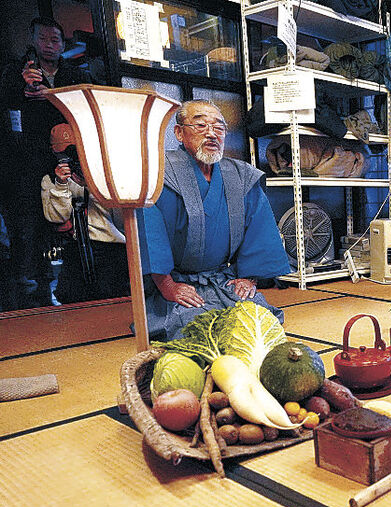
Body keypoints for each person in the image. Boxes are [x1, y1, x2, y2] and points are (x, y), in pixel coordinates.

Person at [138, 100, 290, 341]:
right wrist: (168, 286)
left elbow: (259, 230)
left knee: (258, 316)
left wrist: (248, 276)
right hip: (177, 281)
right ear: (179, 132)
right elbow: (149, 235)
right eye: (200, 125)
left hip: (222, 280)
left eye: (218, 128)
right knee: (194, 327)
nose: (211, 133)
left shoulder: (240, 175)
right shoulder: (158, 174)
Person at [0, 17, 91, 309]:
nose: (49, 45)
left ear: (62, 44)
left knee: (70, 227)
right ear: (33, 40)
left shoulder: (72, 73)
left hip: (65, 161)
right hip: (24, 165)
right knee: (27, 234)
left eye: (55, 40)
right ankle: (29, 302)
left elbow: (85, 109)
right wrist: (21, 91)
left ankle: (73, 292)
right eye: (43, 39)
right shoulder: (17, 72)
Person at [40, 124, 129, 304]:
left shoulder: (106, 172)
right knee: (72, 298)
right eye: (63, 154)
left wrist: (91, 182)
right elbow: (58, 217)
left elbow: (120, 214)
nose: (70, 158)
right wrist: (61, 185)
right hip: (76, 249)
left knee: (116, 299)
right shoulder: (51, 179)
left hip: (112, 248)